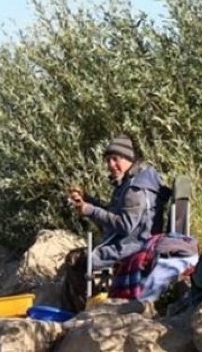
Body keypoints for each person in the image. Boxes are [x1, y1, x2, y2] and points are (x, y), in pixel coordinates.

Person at [61, 134, 166, 312]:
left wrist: (90, 210)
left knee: (76, 261)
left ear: (128, 159)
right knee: (76, 259)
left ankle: (84, 312)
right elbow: (115, 213)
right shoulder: (134, 180)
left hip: (133, 246)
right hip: (135, 240)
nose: (111, 165)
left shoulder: (135, 189)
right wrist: (87, 200)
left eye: (115, 159)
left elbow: (125, 225)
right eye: (108, 160)